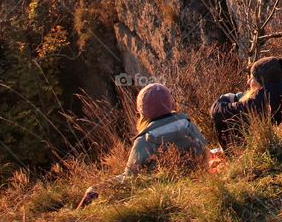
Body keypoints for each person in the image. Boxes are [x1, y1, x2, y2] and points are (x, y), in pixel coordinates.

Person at [78, 82, 207, 208]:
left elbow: (129, 178)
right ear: (170, 103)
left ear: (142, 112)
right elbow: (204, 152)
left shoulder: (144, 140)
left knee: (92, 192)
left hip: (159, 198)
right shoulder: (189, 125)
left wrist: (97, 189)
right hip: (197, 188)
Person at [210, 56, 282, 150]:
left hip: (265, 152)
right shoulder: (280, 90)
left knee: (222, 120)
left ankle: (234, 154)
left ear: (262, 81)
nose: (248, 81)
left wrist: (223, 100)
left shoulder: (262, 101)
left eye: (252, 78)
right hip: (278, 143)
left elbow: (219, 112)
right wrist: (238, 98)